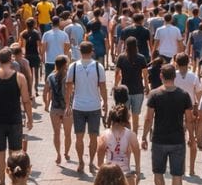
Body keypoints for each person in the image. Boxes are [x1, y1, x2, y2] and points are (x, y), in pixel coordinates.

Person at [142, 65, 193, 185]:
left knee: (158, 172)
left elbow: (149, 118)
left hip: (159, 139)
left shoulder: (154, 94)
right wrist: (191, 137)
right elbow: (189, 119)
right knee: (177, 174)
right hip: (177, 140)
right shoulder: (184, 95)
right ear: (174, 77)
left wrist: (144, 136)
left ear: (161, 76)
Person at [0, 48, 35, 185]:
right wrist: (30, 118)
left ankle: (2, 182)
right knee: (15, 153)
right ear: (11, 60)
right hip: (14, 120)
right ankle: (14, 182)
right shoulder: (19, 77)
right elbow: (26, 100)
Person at [67, 41, 109, 175]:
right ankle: (91, 162)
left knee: (79, 137)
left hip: (78, 106)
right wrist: (105, 102)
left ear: (80, 51)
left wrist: (68, 104)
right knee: (93, 137)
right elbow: (103, 87)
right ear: (92, 51)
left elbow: (69, 87)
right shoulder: (98, 66)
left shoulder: (73, 66)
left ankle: (81, 162)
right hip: (94, 106)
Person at [99, 104, 141, 185]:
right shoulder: (131, 135)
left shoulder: (104, 135)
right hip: (125, 173)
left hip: (108, 174)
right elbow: (137, 153)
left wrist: (100, 176)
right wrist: (138, 172)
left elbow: (99, 161)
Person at [115, 37, 149, 131]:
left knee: (124, 115)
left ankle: (125, 134)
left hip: (124, 91)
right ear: (136, 46)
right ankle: (134, 134)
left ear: (126, 45)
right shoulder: (141, 58)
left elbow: (117, 73)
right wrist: (147, 86)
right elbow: (145, 75)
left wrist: (115, 85)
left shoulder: (121, 57)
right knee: (135, 115)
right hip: (138, 90)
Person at [44, 55, 73, 165]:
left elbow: (45, 92)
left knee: (56, 133)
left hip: (55, 109)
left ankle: (58, 154)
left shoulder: (50, 77)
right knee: (67, 134)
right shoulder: (69, 77)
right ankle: (66, 153)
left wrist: (46, 104)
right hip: (67, 108)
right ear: (65, 65)